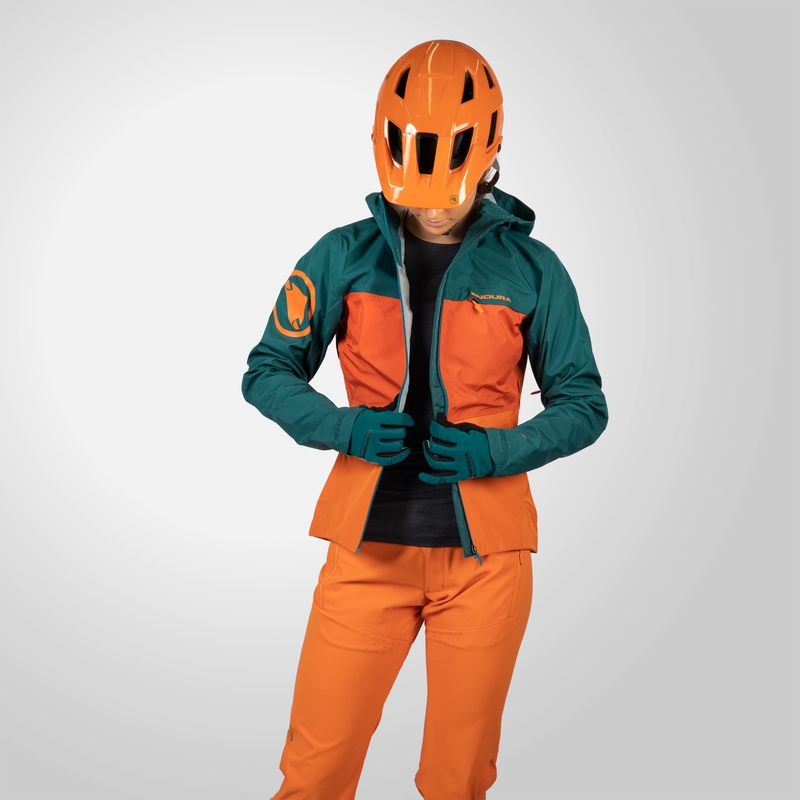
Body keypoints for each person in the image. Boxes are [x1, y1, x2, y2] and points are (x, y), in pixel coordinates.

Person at [242, 39, 608, 800]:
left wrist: (497, 451)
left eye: (451, 188)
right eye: (417, 187)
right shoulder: (340, 257)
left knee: (456, 782)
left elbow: (583, 404)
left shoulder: (534, 270)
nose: (434, 205)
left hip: (486, 567)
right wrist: (340, 427)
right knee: (313, 774)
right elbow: (267, 370)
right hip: (364, 558)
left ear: (489, 157)